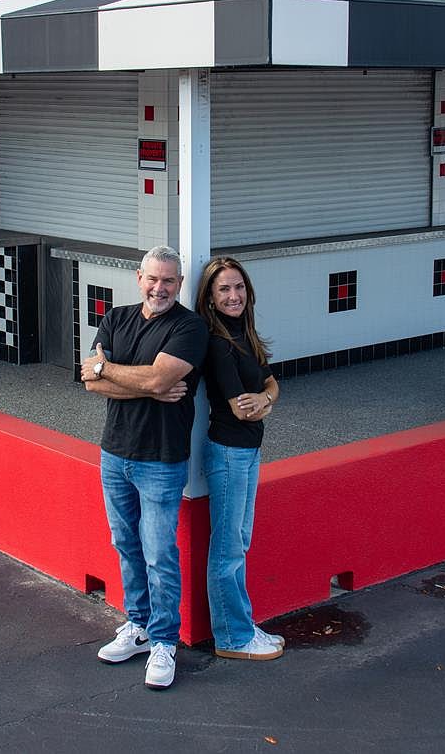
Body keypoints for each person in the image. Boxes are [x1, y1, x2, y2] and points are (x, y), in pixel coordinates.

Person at [81, 245, 208, 690]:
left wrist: (111, 369)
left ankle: (163, 642)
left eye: (169, 280)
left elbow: (156, 376)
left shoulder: (190, 327)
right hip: (114, 453)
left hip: (161, 458)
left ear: (179, 283)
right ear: (139, 278)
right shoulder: (116, 318)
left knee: (159, 554)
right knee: (125, 545)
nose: (160, 287)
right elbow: (88, 379)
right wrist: (148, 389)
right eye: (153, 279)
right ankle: (135, 626)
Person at [195, 256, 285, 660]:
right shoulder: (218, 343)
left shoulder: (244, 335)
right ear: (211, 299)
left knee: (240, 541)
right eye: (224, 290)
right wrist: (264, 402)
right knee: (229, 547)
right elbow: (239, 409)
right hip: (228, 452)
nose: (233, 296)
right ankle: (232, 637)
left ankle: (241, 625)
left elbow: (270, 385)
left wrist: (265, 398)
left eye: (238, 287)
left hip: (248, 451)